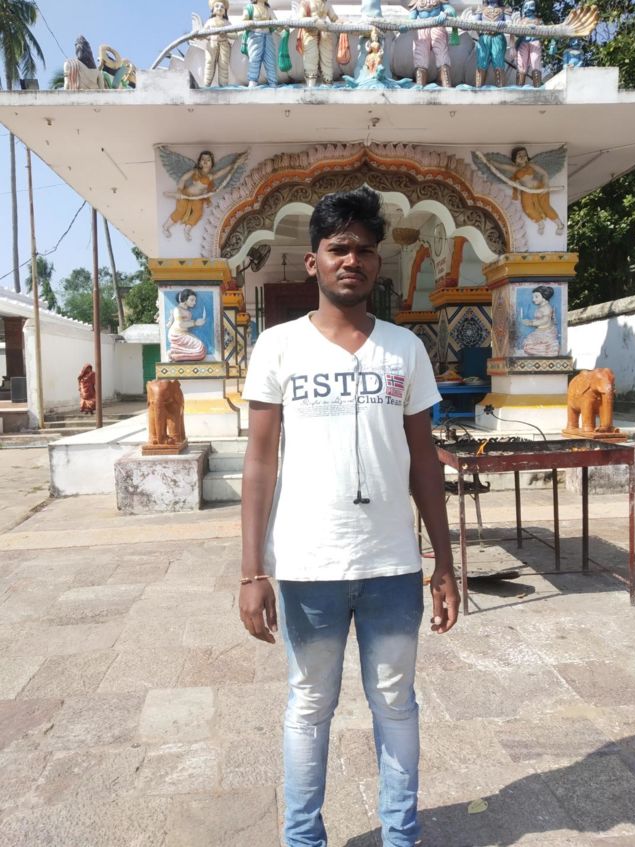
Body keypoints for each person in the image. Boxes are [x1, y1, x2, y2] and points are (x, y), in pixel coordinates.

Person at [240, 186, 460, 847]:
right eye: (338, 248)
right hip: (309, 564)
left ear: (377, 262)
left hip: (391, 563)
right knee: (310, 704)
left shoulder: (404, 349)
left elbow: (424, 463)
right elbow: (259, 463)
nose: (351, 260)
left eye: (364, 250)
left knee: (395, 702)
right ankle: (303, 838)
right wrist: (252, 572)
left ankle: (401, 834)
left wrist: (444, 562)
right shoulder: (278, 347)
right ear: (313, 261)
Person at [162, 150, 216, 241]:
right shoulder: (195, 171)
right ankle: (165, 227)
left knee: (198, 213)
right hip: (186, 194)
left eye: (208, 160)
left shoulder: (211, 177)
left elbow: (207, 191)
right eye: (203, 159)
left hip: (197, 198)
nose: (205, 161)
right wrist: (179, 191)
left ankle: (187, 230)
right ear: (199, 162)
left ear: (212, 163)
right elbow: (183, 179)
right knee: (181, 210)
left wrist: (208, 200)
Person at [166, 288, 207, 362]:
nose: (194, 303)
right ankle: (173, 354)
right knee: (200, 349)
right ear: (185, 299)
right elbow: (180, 324)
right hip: (176, 335)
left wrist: (197, 322)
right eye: (192, 300)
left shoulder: (187, 312)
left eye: (195, 300)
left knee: (202, 349)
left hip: (183, 333)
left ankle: (176, 351)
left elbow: (186, 323)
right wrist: (195, 323)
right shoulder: (177, 310)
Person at [522, 284, 559, 355]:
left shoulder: (547, 307)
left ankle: (544, 352)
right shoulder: (540, 307)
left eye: (536, 297)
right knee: (528, 345)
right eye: (533, 297)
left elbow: (545, 320)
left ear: (544, 297)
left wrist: (531, 323)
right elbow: (539, 319)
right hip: (539, 331)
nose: (533, 299)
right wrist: (529, 321)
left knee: (529, 346)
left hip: (545, 332)